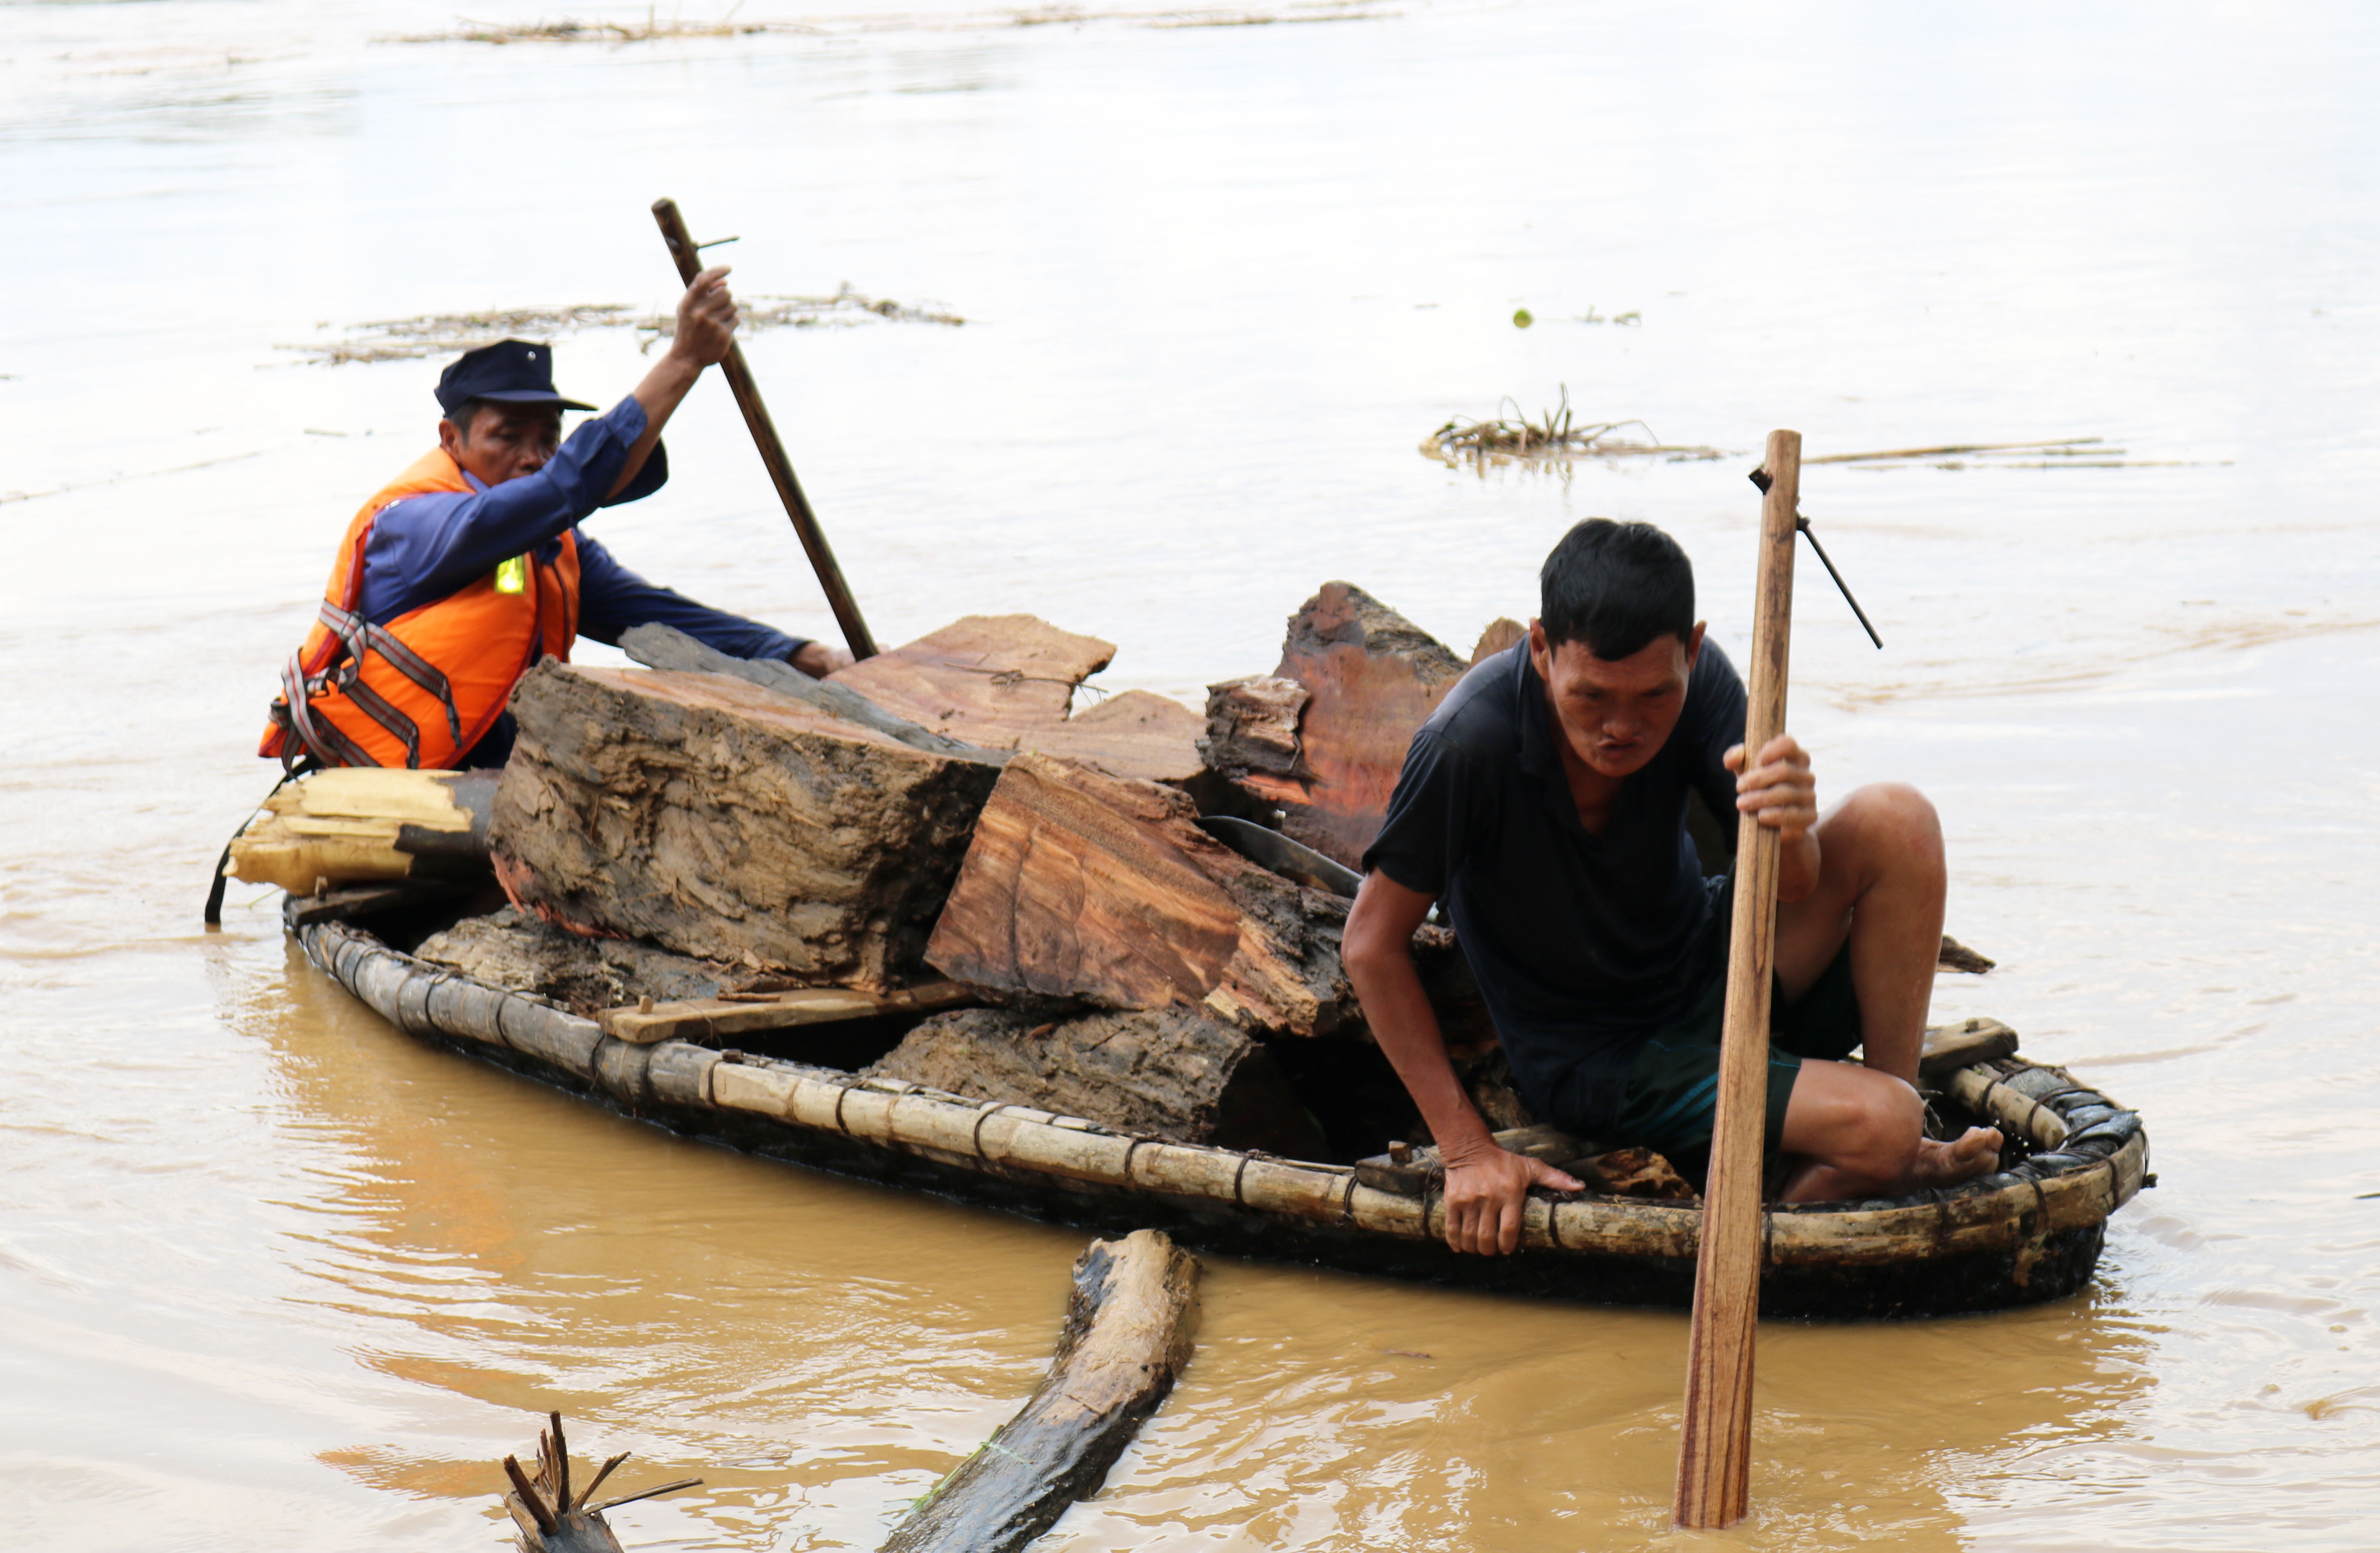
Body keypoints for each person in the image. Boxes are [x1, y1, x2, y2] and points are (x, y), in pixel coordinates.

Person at [1341, 519, 2004, 1257]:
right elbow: (1370, 946)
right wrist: (1467, 1150)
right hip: (1606, 1059)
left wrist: (1790, 829)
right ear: (1539, 648)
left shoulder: (1704, 682)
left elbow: (1796, 886)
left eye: (1653, 696)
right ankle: (1861, 1152)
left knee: (1898, 819)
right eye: (1591, 697)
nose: (1622, 727)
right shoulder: (1467, 743)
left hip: (1714, 967)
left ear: (1690, 650)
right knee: (1881, 1122)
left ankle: (1892, 1137)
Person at [259, 266, 852, 772]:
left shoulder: (550, 546)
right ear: (452, 439)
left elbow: (657, 617)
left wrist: (806, 656)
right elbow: (563, 487)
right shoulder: (412, 528)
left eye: (548, 440)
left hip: (500, 773)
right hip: (386, 783)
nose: (531, 457)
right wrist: (684, 360)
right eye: (506, 437)